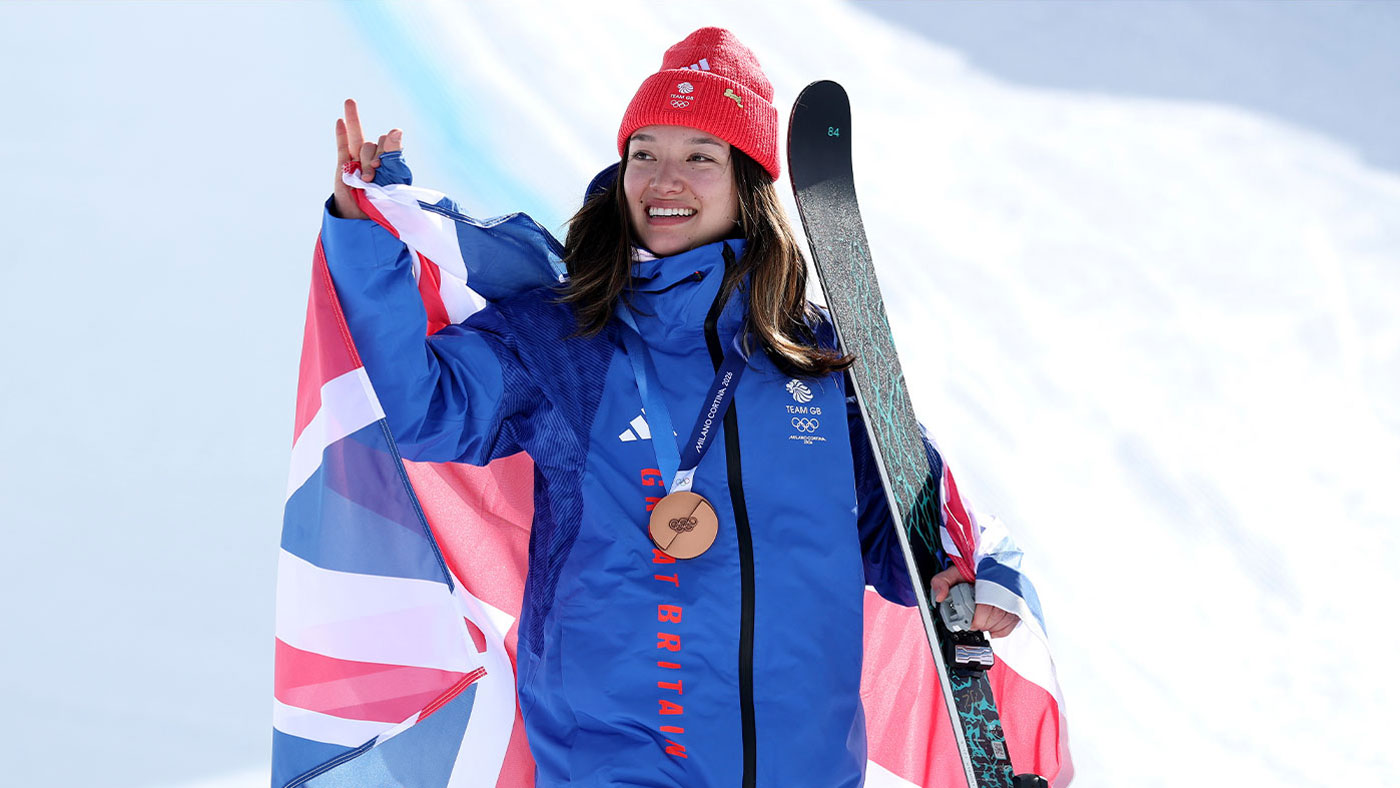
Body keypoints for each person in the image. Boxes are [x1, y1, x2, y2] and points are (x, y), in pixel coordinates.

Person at [322, 27, 1022, 787]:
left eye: (699, 157)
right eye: (644, 152)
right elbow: (428, 408)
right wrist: (367, 233)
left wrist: (966, 575)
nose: (665, 178)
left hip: (808, 764)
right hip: (617, 754)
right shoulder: (569, 335)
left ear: (747, 182)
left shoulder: (814, 357)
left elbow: (903, 517)